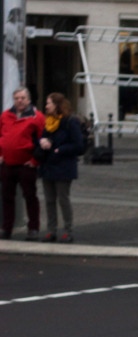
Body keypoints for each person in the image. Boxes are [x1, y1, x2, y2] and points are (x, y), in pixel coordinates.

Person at [36, 92, 85, 243]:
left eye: (49, 103)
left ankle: (67, 231)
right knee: (49, 200)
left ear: (57, 105)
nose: (46, 106)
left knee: (63, 199)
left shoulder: (70, 122)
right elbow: (45, 137)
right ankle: (51, 231)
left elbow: (78, 145)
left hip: (63, 167)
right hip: (48, 166)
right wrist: (43, 142)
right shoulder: (48, 122)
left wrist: (60, 149)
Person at [1, 87, 44, 240]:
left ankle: (33, 228)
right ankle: (7, 228)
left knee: (30, 197)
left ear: (29, 99)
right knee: (7, 197)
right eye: (17, 98)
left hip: (26, 164)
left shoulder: (37, 117)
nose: (20, 101)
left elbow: (42, 140)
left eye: (23, 98)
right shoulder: (6, 115)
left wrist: (35, 161)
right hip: (7, 163)